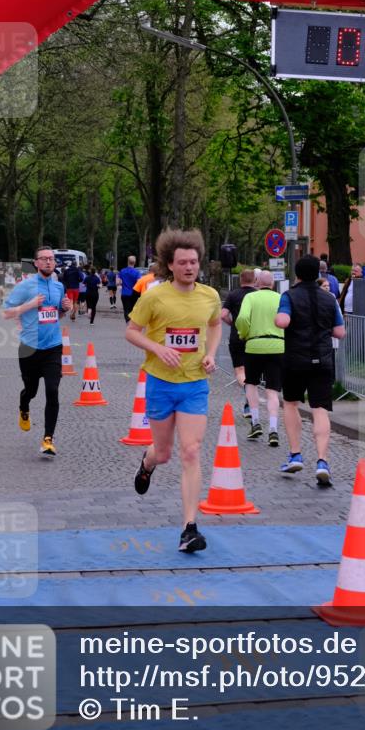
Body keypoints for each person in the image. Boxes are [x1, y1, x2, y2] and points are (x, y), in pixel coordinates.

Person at [126, 229, 221, 554]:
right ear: (170, 264)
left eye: (194, 262)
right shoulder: (154, 296)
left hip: (194, 384)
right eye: (183, 262)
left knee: (191, 451)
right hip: (160, 384)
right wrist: (157, 348)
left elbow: (215, 324)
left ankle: (189, 528)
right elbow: (132, 331)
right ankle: (148, 463)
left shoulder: (209, 295)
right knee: (164, 453)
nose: (190, 267)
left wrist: (210, 354)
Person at [275, 254, 346, 485]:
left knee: (291, 403)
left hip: (295, 359)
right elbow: (340, 332)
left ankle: (295, 454)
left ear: (296, 274)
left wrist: (281, 317)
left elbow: (283, 322)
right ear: (319, 274)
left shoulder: (289, 296)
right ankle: (322, 461)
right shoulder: (329, 299)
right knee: (320, 409)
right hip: (323, 360)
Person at [3, 245, 72, 456]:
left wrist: (65, 309)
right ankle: (24, 406)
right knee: (31, 390)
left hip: (53, 347)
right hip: (29, 347)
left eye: (51, 259)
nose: (49, 262)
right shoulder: (26, 286)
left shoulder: (58, 286)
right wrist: (29, 305)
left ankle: (48, 439)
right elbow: (6, 312)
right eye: (44, 259)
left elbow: (55, 316)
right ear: (36, 263)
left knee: (52, 390)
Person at [235, 270, 284, 446]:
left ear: (257, 282)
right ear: (272, 284)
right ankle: (273, 429)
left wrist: (243, 333)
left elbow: (242, 318)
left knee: (251, 383)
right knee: (273, 390)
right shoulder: (281, 298)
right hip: (278, 346)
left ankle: (255, 422)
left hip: (254, 346)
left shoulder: (251, 298)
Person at [221, 268, 257, 418]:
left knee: (240, 371)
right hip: (255, 337)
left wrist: (232, 323)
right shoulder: (257, 295)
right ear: (255, 280)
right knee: (253, 371)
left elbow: (222, 315)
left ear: (240, 279)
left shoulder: (233, 294)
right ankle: (250, 400)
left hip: (237, 337)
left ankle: (247, 393)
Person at [118, 256, 141, 322]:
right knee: (133, 310)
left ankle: (128, 323)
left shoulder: (122, 271)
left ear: (128, 261)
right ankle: (131, 323)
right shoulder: (137, 272)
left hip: (124, 293)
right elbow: (139, 283)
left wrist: (122, 283)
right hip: (134, 294)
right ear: (135, 262)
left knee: (126, 310)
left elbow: (118, 282)